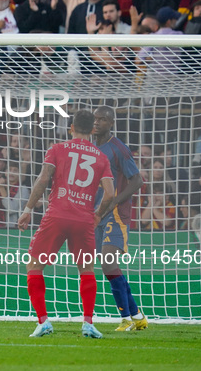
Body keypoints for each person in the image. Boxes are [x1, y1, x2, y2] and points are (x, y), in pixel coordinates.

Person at [18, 110, 115, 339]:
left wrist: (27, 210)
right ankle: (88, 323)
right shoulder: (101, 158)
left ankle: (43, 321)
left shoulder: (57, 149)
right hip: (83, 219)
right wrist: (98, 214)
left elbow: (43, 179)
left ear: (71, 127)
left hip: (57, 215)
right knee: (87, 270)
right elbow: (110, 193)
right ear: (93, 129)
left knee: (34, 267)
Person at [92, 107, 148, 330]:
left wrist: (115, 201)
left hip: (116, 213)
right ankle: (137, 316)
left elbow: (137, 181)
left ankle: (125, 319)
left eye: (102, 119)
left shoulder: (118, 149)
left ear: (111, 123)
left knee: (108, 263)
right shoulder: (90, 147)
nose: (97, 123)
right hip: (97, 214)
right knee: (108, 267)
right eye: (95, 119)